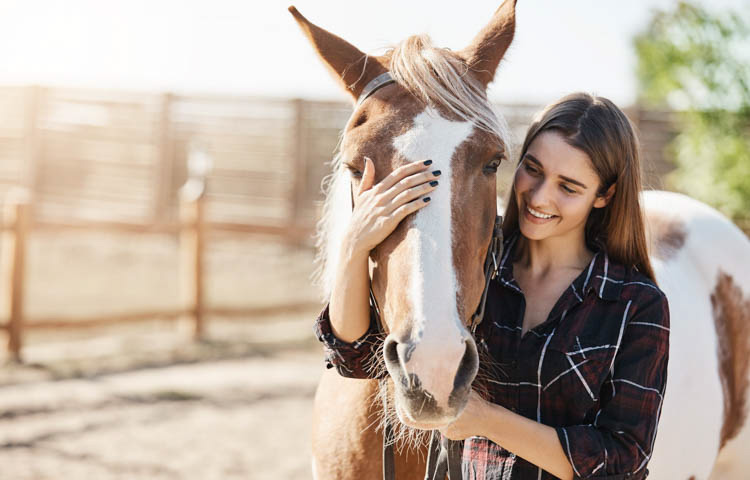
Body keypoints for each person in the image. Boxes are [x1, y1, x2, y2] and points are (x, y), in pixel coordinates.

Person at [314, 92, 670, 480]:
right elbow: (353, 357)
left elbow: (622, 459)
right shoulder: (477, 263)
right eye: (533, 169)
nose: (538, 197)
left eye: (568, 187)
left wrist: (485, 419)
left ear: (604, 195)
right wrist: (353, 246)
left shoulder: (636, 305)